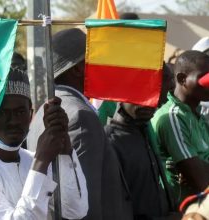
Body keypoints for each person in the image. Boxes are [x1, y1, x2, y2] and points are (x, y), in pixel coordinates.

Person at [0, 67, 88, 219]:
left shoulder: (32, 160)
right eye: (3, 113)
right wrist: (41, 162)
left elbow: (75, 210)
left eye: (20, 112)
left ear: (31, 114)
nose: (14, 121)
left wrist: (64, 147)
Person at [27, 28, 132, 220]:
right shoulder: (80, 115)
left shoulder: (48, 108)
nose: (102, 66)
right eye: (95, 59)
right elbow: (83, 205)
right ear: (78, 68)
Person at [151, 50, 209, 204]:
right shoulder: (172, 118)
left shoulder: (198, 116)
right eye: (203, 77)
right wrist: (198, 167)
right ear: (182, 79)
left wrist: (201, 165)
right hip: (182, 210)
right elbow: (201, 181)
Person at [105, 102, 177, 219]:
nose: (151, 104)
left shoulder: (144, 133)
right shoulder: (110, 143)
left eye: (157, 97)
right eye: (141, 93)